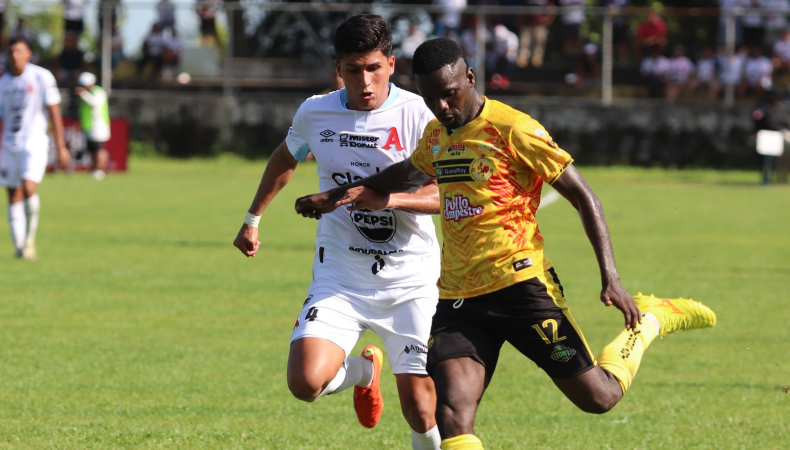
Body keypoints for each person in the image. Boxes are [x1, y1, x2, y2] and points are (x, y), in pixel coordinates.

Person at [294, 37, 717, 450]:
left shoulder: (513, 128)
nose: (442, 107)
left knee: (599, 398)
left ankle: (646, 324)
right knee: (453, 415)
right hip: (459, 299)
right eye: (431, 99)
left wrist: (612, 278)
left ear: (471, 77)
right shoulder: (437, 136)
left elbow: (584, 196)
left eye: (450, 95)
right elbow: (405, 173)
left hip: (521, 288)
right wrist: (336, 196)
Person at [232, 14, 442, 450]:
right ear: (338, 69)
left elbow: (445, 194)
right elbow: (286, 158)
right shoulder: (316, 111)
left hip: (411, 281)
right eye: (353, 70)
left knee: (421, 408)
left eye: (373, 68)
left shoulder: (419, 115)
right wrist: (253, 219)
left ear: (391, 63)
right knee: (305, 382)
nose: (364, 81)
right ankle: (364, 372)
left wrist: (386, 199)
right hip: (341, 277)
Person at [0, 37, 70, 259]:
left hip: (34, 141)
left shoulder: (41, 76)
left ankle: (30, 241)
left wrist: (60, 145)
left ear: (29, 54)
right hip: (9, 143)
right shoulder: (3, 83)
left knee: (29, 188)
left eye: (19, 51)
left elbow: (54, 110)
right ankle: (19, 246)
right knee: (13, 194)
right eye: (11, 52)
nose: (15, 55)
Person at [75, 72, 111, 180]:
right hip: (89, 126)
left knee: (99, 148)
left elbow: (94, 103)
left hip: (98, 125)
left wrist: (83, 94)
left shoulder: (98, 92)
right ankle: (94, 168)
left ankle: (101, 169)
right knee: (92, 149)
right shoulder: (88, 93)